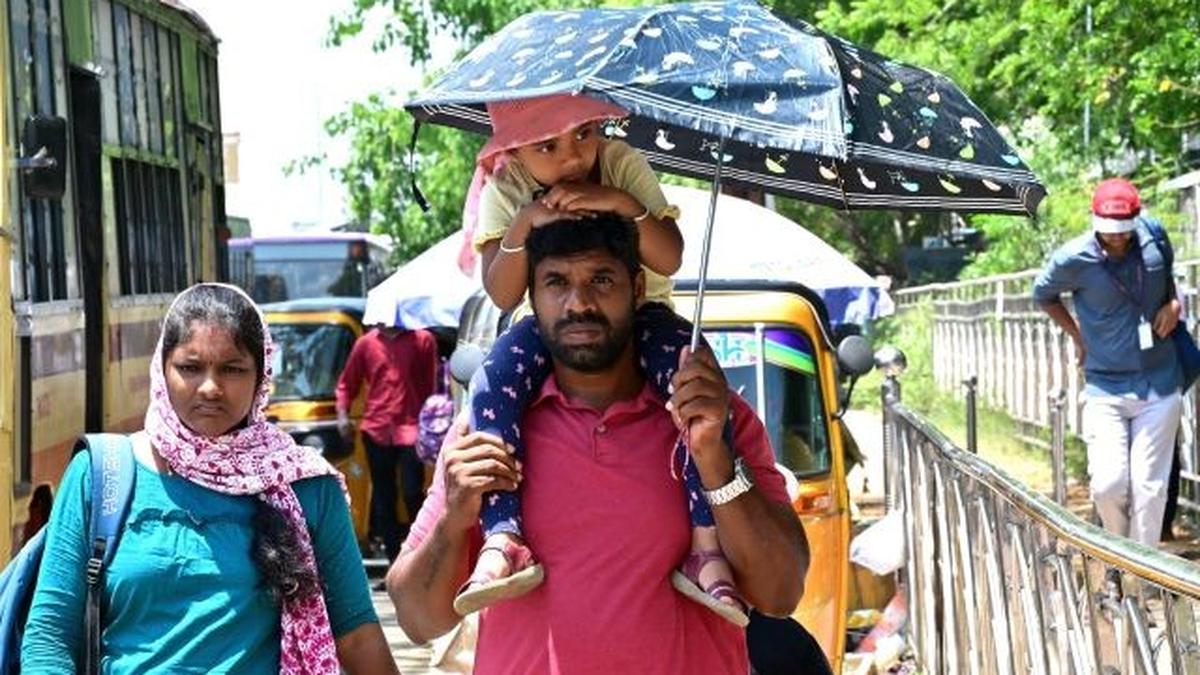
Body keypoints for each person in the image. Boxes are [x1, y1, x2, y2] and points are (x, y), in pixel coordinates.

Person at [386, 215, 808, 674]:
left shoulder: (714, 417)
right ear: (532, 296)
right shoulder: (488, 429)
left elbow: (780, 593)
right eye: (556, 282)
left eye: (601, 279)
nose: (579, 303)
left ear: (639, 287)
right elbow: (418, 619)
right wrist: (454, 519)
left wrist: (716, 465)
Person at [457, 93, 748, 625]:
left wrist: (618, 203)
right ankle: (503, 535)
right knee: (491, 380)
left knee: (698, 384)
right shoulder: (509, 186)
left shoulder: (619, 164)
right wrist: (524, 224)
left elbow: (671, 256)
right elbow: (501, 293)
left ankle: (706, 546)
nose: (572, 156)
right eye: (549, 145)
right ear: (515, 149)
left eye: (583, 134)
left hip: (645, 318)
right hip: (547, 336)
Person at [21, 283, 397, 673]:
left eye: (233, 369)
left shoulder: (305, 485)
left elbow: (357, 636)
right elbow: (49, 634)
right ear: (162, 369)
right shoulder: (102, 475)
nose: (211, 388)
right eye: (190, 367)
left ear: (261, 377)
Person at [1033, 178, 1183, 546]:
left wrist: (1174, 306)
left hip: (1160, 382)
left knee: (1150, 489)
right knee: (1108, 484)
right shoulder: (1073, 258)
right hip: (1105, 385)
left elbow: (1168, 281)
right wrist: (1077, 334)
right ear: (1094, 218)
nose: (1117, 238)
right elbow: (1044, 294)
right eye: (1109, 231)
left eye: (1123, 230)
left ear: (1137, 216)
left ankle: (1144, 575)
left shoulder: (1153, 238)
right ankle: (1120, 555)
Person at [336, 321, 438, 561]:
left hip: (411, 428)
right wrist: (343, 415)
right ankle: (395, 562)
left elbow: (430, 384)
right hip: (377, 429)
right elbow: (347, 383)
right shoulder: (366, 343)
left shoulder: (422, 340)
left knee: (413, 491)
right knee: (384, 497)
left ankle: (423, 553)